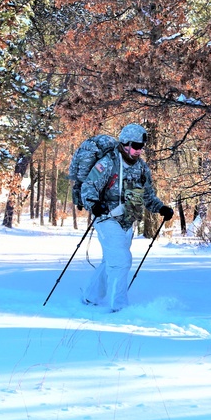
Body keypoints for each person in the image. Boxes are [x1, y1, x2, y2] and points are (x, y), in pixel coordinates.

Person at [79, 123, 174, 312]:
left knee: (111, 261)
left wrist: (161, 208)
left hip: (128, 221)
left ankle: (91, 296)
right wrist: (94, 204)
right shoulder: (107, 163)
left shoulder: (141, 168)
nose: (139, 151)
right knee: (121, 261)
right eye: (136, 146)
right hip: (107, 218)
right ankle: (119, 308)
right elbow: (88, 188)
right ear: (125, 143)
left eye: (141, 147)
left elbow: (147, 196)